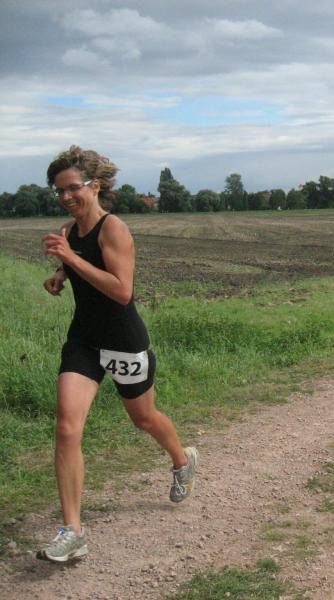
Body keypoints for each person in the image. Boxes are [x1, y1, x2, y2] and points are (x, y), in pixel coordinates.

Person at [39, 146, 197, 562]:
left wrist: (69, 258)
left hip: (123, 341)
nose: (65, 197)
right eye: (59, 190)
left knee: (143, 418)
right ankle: (72, 531)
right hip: (84, 340)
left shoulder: (114, 229)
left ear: (95, 185)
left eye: (72, 188)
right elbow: (78, 263)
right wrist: (60, 273)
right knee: (67, 428)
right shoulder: (70, 231)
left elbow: (122, 290)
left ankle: (182, 459)